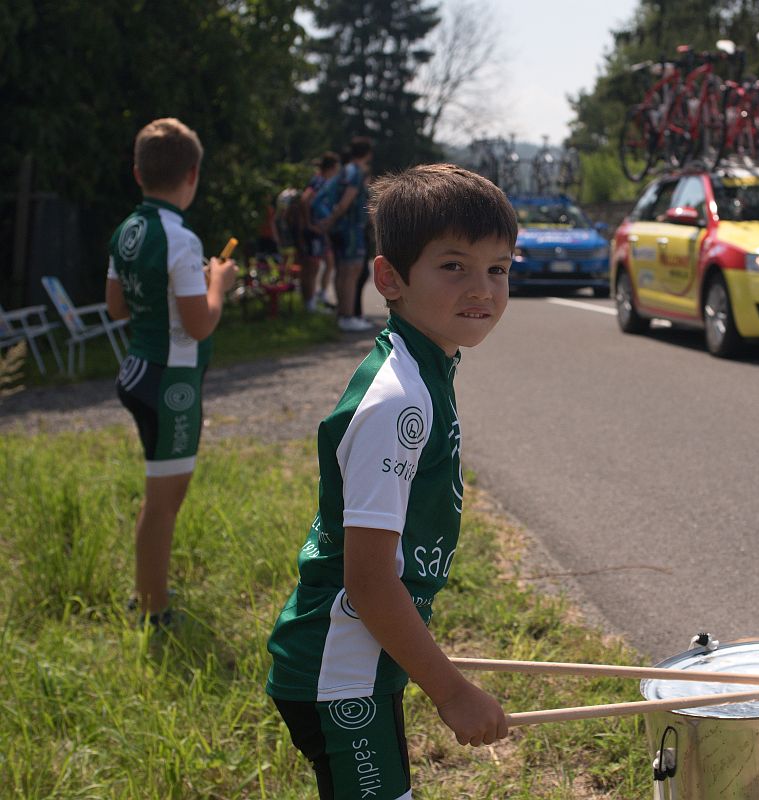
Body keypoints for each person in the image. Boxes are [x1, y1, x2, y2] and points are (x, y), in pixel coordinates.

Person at [266, 164, 517, 799]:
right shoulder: (398, 401)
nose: (482, 288)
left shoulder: (426, 367)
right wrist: (452, 692)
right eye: (454, 266)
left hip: (361, 662)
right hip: (339, 673)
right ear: (390, 279)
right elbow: (370, 581)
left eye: (498, 268)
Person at [105, 117, 237, 627]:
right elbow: (200, 324)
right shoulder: (180, 238)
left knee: (157, 494)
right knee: (164, 501)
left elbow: (117, 307)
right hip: (172, 383)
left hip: (138, 369)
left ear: (138, 173)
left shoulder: (127, 231)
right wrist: (218, 282)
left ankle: (148, 587)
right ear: (192, 174)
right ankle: (152, 608)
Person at [321, 136, 374, 331]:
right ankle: (348, 316)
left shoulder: (345, 169)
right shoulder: (357, 172)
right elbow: (346, 201)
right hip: (352, 228)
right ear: (367, 153)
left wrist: (330, 221)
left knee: (342, 271)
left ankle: (342, 314)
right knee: (352, 271)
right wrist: (332, 219)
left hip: (341, 228)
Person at [300, 152, 342, 312]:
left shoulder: (324, 181)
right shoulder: (319, 181)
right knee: (312, 267)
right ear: (332, 167)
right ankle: (310, 304)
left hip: (321, 230)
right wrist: (309, 224)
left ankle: (321, 295)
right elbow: (305, 199)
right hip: (314, 231)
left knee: (329, 262)